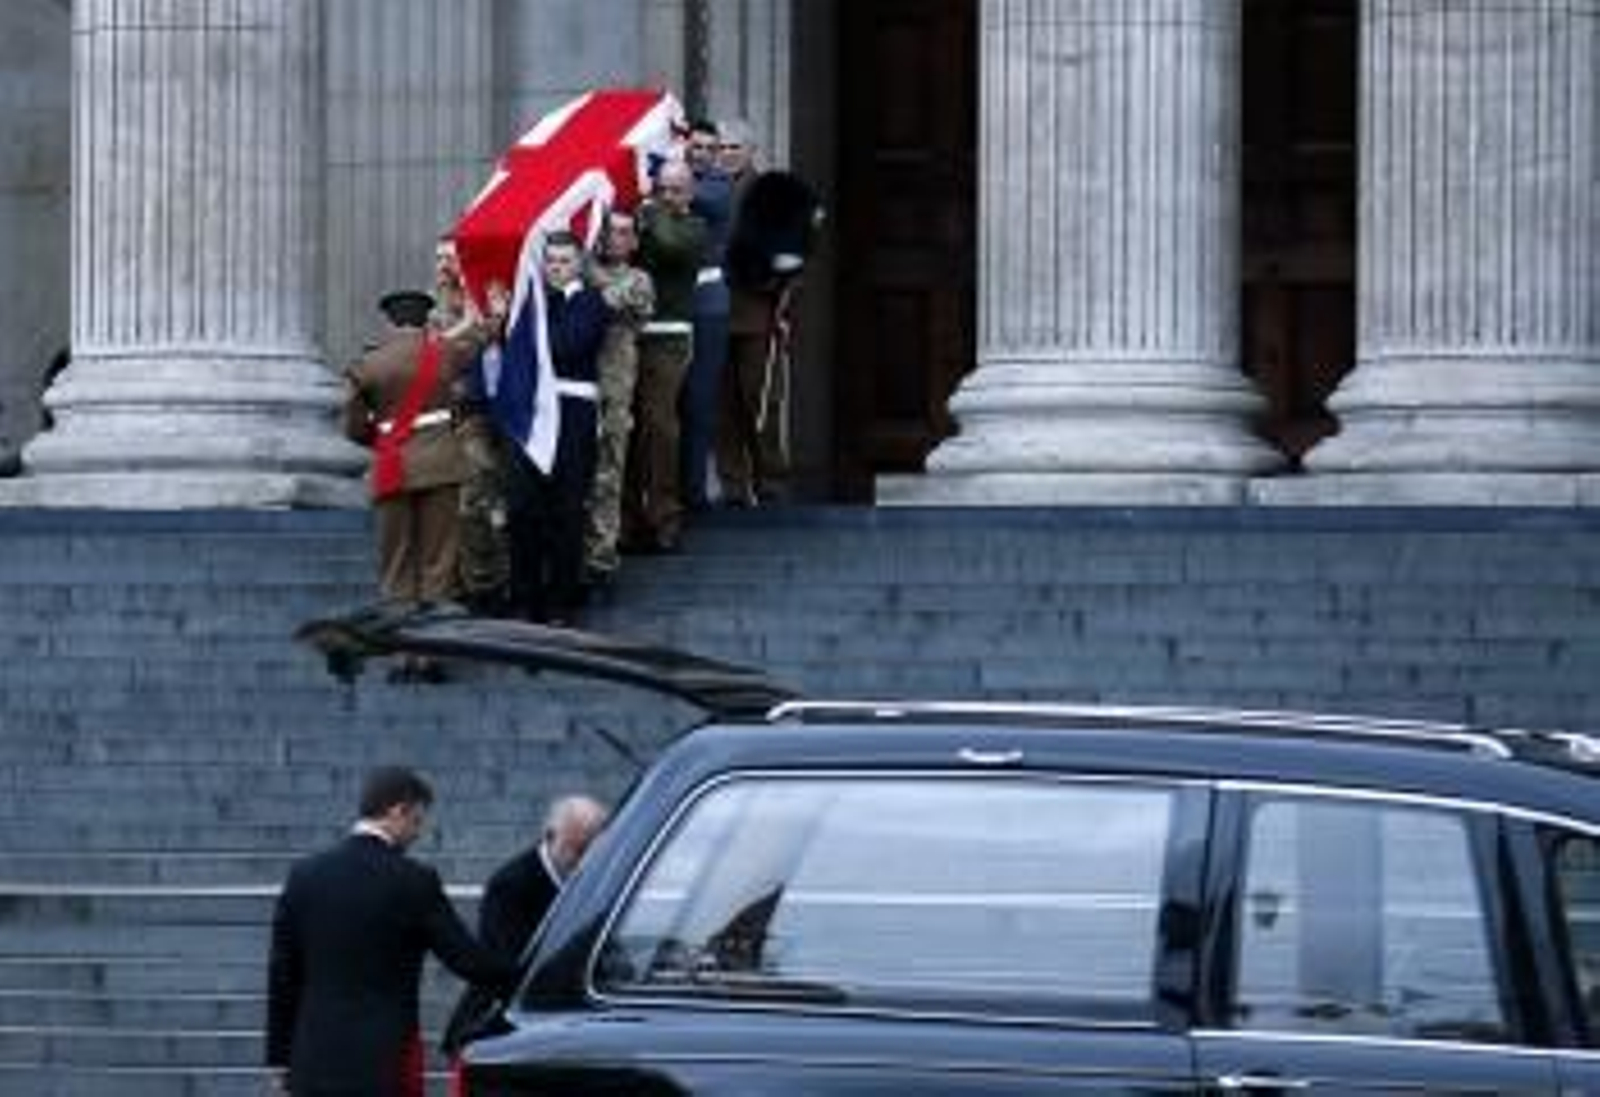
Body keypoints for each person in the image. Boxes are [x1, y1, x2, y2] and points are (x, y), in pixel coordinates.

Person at [266, 766, 515, 1097]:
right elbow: (466, 959)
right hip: (386, 1061)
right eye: (417, 821)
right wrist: (525, 976)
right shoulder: (413, 879)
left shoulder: (304, 875)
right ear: (397, 811)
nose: (417, 833)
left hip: (313, 1059)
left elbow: (283, 975)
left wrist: (279, 1060)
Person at [344, 287, 501, 680]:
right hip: (441, 465)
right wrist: (490, 316)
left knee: (396, 563)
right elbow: (480, 342)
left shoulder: (369, 364)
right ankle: (430, 655)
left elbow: (353, 425)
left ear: (389, 321)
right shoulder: (444, 353)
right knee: (437, 562)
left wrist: (382, 437)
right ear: (426, 319)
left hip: (393, 466)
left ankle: (401, 656)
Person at [440, 794, 610, 1057]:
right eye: (577, 849)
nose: (584, 859)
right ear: (550, 836)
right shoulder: (511, 884)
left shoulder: (592, 878)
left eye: (592, 849)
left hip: (559, 1017)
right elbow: (506, 965)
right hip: (502, 1022)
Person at [500, 231, 610, 624]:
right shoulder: (533, 304)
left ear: (579, 264)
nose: (556, 268)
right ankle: (524, 596)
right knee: (523, 506)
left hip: (573, 414)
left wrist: (529, 322)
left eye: (564, 261)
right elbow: (514, 353)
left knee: (567, 507)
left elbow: (567, 344)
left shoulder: (592, 302)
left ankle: (562, 600)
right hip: (533, 414)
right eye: (551, 261)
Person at [717, 169, 823, 507]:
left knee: (761, 397)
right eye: (722, 146)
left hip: (758, 311)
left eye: (734, 147)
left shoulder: (771, 192)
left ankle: (770, 479)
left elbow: (797, 248)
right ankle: (732, 483)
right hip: (714, 312)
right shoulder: (699, 188)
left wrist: (782, 288)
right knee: (724, 403)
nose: (726, 153)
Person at [626, 160, 707, 553]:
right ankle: (629, 519)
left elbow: (672, 246)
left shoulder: (694, 226)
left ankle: (665, 516)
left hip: (669, 337)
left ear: (691, 192)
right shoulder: (648, 221)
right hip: (631, 336)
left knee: (660, 425)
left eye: (676, 189)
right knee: (628, 428)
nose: (667, 197)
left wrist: (650, 209)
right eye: (662, 189)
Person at [436, 238, 513, 615]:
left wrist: (501, 318)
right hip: (470, 415)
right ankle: (481, 582)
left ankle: (509, 578)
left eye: (450, 257)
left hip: (514, 414)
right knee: (474, 500)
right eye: (439, 259)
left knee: (509, 502)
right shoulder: (438, 312)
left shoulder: (504, 296)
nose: (443, 266)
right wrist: (477, 324)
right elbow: (438, 355)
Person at [583, 210, 655, 589]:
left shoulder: (639, 279)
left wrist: (588, 280)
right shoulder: (579, 270)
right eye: (610, 231)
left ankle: (601, 556)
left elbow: (614, 302)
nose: (617, 238)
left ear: (635, 241)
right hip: (576, 383)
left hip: (615, 389)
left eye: (625, 233)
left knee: (609, 471)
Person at [681, 119, 735, 511]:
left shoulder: (719, 186)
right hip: (672, 304)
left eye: (709, 148)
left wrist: (657, 173)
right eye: (695, 147)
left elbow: (696, 198)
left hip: (708, 305)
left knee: (700, 399)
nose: (701, 154)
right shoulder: (676, 183)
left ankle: (695, 489)